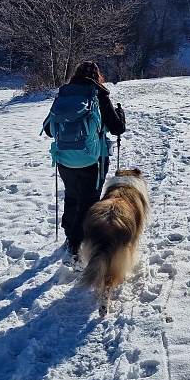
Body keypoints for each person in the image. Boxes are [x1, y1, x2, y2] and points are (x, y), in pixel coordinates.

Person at [43, 61, 126, 258]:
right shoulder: (99, 95)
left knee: (72, 196)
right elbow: (117, 128)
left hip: (64, 159)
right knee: (89, 202)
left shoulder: (63, 95)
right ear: (97, 76)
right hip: (93, 160)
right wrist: (120, 114)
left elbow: (48, 129)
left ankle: (69, 233)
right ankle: (76, 245)